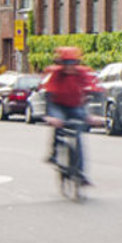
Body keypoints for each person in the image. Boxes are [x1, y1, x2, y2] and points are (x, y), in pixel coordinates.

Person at [40, 45, 99, 185]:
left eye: (73, 63)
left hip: (75, 105)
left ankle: (80, 173)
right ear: (61, 63)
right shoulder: (55, 74)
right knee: (58, 122)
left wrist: (93, 115)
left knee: (78, 138)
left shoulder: (82, 73)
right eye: (66, 63)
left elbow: (94, 90)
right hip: (58, 104)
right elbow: (49, 94)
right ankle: (53, 153)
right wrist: (50, 116)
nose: (70, 66)